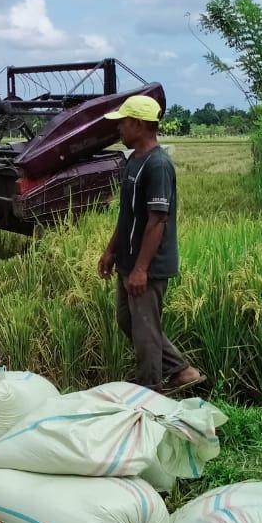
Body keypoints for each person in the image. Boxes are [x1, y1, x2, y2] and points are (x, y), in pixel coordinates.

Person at [97, 95, 205, 392]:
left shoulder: (157, 165)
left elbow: (157, 221)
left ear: (140, 124)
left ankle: (150, 390)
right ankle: (182, 372)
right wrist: (111, 251)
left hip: (150, 264)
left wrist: (142, 269)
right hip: (129, 260)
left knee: (144, 329)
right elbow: (128, 214)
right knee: (127, 320)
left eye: (123, 122)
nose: (118, 128)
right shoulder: (134, 160)